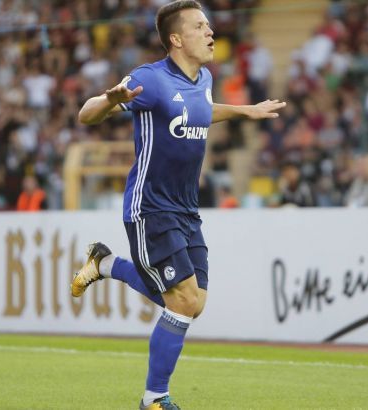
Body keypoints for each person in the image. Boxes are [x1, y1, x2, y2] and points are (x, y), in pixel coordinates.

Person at [71, 2, 286, 409]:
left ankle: (105, 263)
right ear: (176, 39)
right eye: (200, 26)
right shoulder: (150, 79)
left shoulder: (204, 78)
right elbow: (86, 114)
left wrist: (244, 111)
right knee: (183, 300)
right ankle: (154, 398)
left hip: (187, 210)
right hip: (150, 207)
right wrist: (109, 101)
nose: (210, 32)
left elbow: (200, 110)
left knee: (194, 302)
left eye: (208, 25)